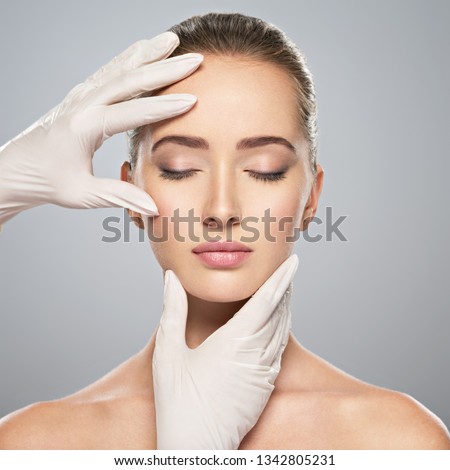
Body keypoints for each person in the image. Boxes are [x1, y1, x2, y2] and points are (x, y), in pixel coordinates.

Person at [0, 12, 449, 450]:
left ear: (311, 198)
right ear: (128, 192)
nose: (221, 210)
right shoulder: (32, 444)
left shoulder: (396, 440)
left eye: (265, 170)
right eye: (181, 168)